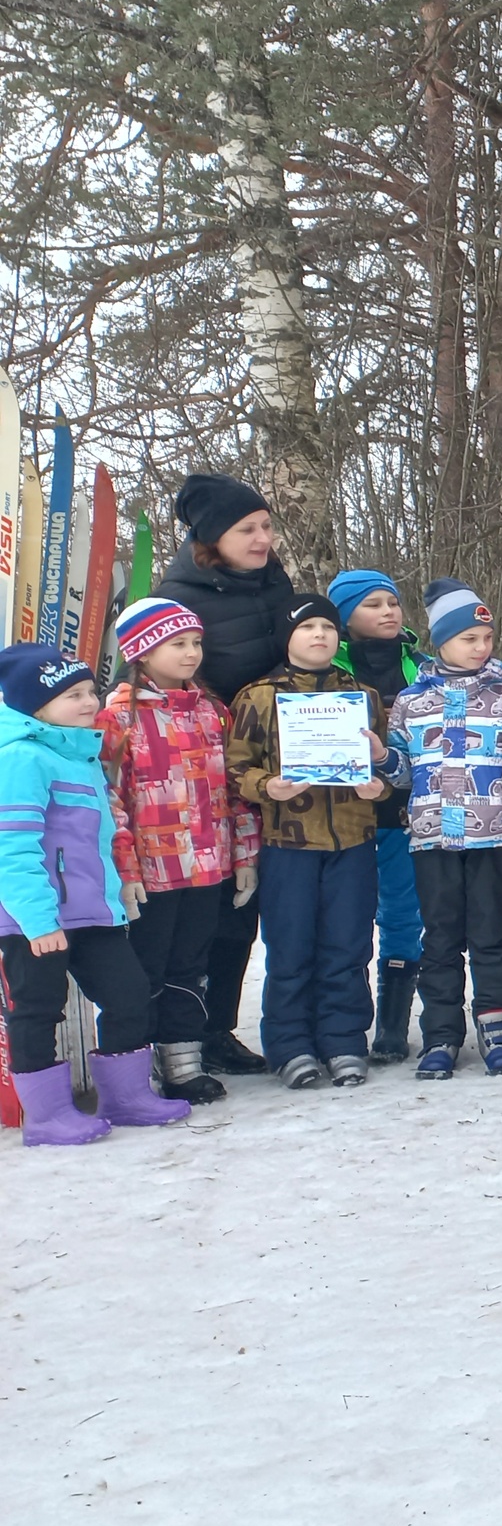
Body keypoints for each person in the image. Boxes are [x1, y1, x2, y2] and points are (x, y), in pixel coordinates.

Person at [0, 645, 192, 1144]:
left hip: (93, 913)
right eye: (72, 695)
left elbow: (96, 843)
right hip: (34, 920)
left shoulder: (80, 754)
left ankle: (125, 1098)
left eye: (90, 691)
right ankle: (46, 1117)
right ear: (33, 706)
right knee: (39, 1009)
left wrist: (116, 895)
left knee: (128, 995)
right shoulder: (20, 758)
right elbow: (12, 849)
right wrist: (39, 921)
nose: (89, 702)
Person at [152, 472, 294, 1076]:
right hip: (206, 767)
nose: (262, 538)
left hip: (279, 764)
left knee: (244, 907)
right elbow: (167, 675)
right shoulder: (181, 594)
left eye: (265, 525)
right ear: (212, 537)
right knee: (199, 915)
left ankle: (218, 1030)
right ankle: (174, 1032)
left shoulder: (275, 580)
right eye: (247, 529)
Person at [225, 592, 399, 1084]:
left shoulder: (360, 696)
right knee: (291, 947)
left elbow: (382, 767)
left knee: (347, 946)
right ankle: (290, 1046)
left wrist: (377, 786)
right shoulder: (259, 696)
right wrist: (267, 786)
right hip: (287, 843)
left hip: (353, 839)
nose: (320, 636)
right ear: (288, 636)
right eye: (307, 628)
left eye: (327, 628)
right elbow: (235, 767)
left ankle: (344, 1041)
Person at [95, 600, 260, 1105]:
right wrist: (125, 870)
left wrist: (245, 857)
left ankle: (183, 1062)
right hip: (151, 871)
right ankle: (132, 1068)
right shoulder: (117, 718)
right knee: (146, 968)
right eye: (177, 644)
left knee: (192, 964)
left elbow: (235, 791)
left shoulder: (212, 712)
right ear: (141, 652)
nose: (191, 654)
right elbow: (111, 800)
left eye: (195, 643)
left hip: (207, 866)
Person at [387, 580, 502, 1077]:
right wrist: (382, 759)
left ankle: (496, 1027)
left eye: (487, 638)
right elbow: (401, 768)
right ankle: (441, 1035)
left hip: (493, 832)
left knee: (491, 934)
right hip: (431, 836)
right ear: (442, 641)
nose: (481, 647)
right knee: (441, 938)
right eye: (469, 638)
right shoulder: (411, 700)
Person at [329, 567, 424, 1062]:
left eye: (392, 602)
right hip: (344, 818)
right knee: (345, 923)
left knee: (404, 918)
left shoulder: (423, 666)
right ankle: (345, 1025)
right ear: (345, 617)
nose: (388, 612)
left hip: (404, 814)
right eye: (372, 605)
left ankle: (393, 1026)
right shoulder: (327, 671)